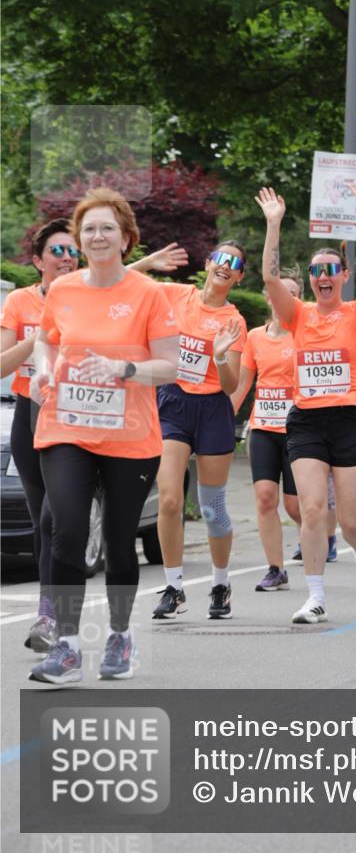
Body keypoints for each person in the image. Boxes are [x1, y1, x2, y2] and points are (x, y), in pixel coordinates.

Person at [28, 188, 180, 684]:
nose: (96, 236)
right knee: (67, 529)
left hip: (130, 437)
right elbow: (47, 341)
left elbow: (171, 367)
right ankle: (68, 646)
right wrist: (46, 371)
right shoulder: (64, 290)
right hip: (66, 426)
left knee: (119, 543)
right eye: (88, 228)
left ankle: (119, 635)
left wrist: (123, 367)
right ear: (78, 239)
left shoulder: (147, 294)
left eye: (106, 228)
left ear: (126, 238)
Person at [256, 183, 356, 624]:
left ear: (342, 276)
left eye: (331, 268)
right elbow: (270, 279)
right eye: (316, 271)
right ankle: (316, 597)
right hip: (307, 421)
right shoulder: (298, 315)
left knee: (350, 521)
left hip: (351, 420)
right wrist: (273, 224)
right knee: (311, 509)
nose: (323, 276)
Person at [134, 241, 248, 619]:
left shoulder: (234, 320)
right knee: (168, 499)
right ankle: (174, 587)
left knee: (213, 508)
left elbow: (231, 386)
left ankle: (220, 583)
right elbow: (122, 282)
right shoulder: (175, 295)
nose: (225, 266)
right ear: (209, 263)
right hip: (173, 403)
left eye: (234, 263)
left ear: (239, 276)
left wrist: (218, 357)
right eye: (221, 258)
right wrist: (149, 262)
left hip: (213, 408)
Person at [0, 219, 80, 651]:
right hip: (30, 413)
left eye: (73, 252)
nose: (68, 258)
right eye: (58, 251)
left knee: (56, 518)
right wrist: (41, 339)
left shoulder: (90, 297)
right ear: (37, 261)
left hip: (73, 413)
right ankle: (48, 612)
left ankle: (55, 616)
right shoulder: (19, 301)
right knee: (41, 522)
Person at [231, 268, 303, 591]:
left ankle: (318, 535)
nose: (285, 298)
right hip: (263, 427)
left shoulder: (304, 335)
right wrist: (222, 421)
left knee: (295, 505)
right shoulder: (256, 337)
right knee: (264, 498)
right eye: (280, 291)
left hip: (299, 429)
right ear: (269, 296)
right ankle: (276, 569)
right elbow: (243, 384)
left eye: (293, 293)